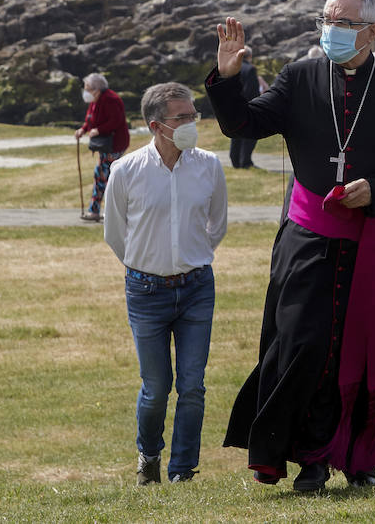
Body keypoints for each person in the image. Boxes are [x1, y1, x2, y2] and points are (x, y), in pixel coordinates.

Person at [208, 0, 375, 491]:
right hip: (309, 242)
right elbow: (244, 122)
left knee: (369, 352)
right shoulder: (300, 76)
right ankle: (308, 457)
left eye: (344, 23)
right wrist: (228, 79)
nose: (331, 30)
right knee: (304, 347)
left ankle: (362, 461)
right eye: (327, 20)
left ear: (373, 33)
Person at [104, 83, 227, 485]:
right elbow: (115, 233)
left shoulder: (208, 165)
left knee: (192, 386)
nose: (193, 123)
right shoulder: (126, 171)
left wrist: (190, 258)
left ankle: (182, 470)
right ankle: (149, 456)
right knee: (156, 388)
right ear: (157, 125)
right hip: (145, 292)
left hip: (196, 289)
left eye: (194, 115)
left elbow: (216, 224)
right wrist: (146, 266)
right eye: (183, 118)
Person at [75, 72, 131, 223]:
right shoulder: (96, 99)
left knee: (103, 175)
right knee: (105, 175)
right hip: (105, 145)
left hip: (114, 144)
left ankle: (98, 211)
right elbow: (90, 118)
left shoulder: (111, 100)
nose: (85, 92)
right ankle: (100, 210)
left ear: (96, 89)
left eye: (87, 88)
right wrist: (83, 129)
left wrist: (99, 130)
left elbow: (116, 121)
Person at [229, 48, 262, 170]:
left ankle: (235, 159)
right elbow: (251, 91)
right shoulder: (250, 69)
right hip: (246, 107)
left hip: (232, 107)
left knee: (235, 134)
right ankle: (245, 161)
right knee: (248, 135)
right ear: (250, 56)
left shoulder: (232, 67)